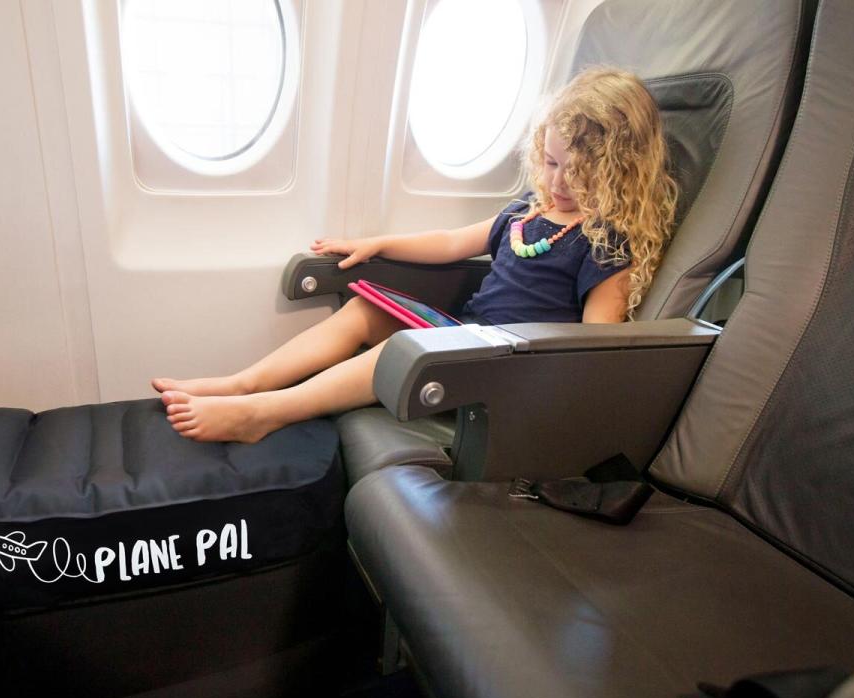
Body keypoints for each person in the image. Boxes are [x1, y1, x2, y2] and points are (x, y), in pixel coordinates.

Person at [152, 67, 678, 443]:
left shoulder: (608, 242)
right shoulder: (527, 213)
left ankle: (264, 414)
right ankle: (241, 383)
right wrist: (378, 243)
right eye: (550, 162)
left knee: (402, 348)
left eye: (579, 172)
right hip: (467, 334)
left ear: (616, 172)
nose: (558, 182)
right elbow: (453, 243)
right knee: (366, 311)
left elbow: (595, 345)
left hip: (505, 368)